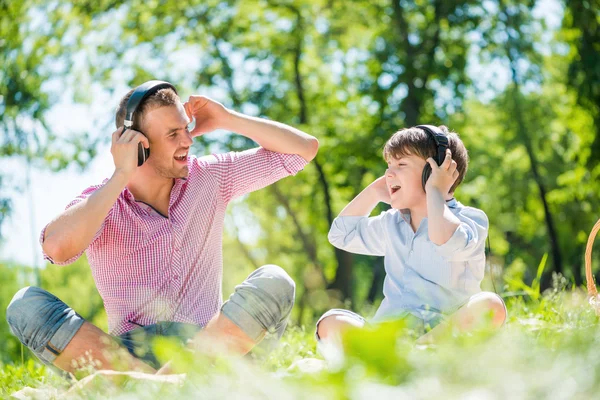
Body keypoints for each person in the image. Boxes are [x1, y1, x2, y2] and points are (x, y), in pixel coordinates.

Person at [6, 81, 319, 374]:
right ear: (138, 144)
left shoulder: (210, 176)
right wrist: (120, 175)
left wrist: (228, 119)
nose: (187, 140)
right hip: (127, 354)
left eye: (186, 128)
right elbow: (56, 249)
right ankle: (164, 383)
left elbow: (303, 150)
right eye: (173, 134)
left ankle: (151, 387)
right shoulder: (102, 201)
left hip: (208, 345)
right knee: (24, 305)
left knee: (275, 280)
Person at [316, 125, 506, 350]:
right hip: (391, 335)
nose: (389, 173)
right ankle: (396, 354)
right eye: (388, 165)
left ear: (433, 171)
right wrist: (376, 191)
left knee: (491, 305)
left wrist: (435, 191)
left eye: (401, 164)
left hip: (446, 335)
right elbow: (340, 235)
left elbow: (444, 240)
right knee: (330, 322)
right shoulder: (391, 223)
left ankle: (420, 352)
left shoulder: (469, 220)